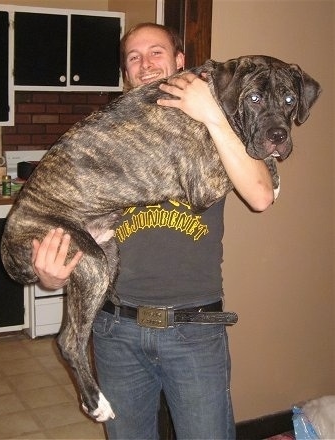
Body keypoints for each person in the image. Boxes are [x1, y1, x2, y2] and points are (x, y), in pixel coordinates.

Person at [32, 23, 277, 440]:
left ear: (180, 61)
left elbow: (260, 195)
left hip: (194, 328)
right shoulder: (99, 138)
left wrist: (211, 112)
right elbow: (70, 230)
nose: (145, 65)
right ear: (125, 72)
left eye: (156, 53)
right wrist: (50, 275)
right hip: (115, 329)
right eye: (134, 57)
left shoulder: (227, 126)